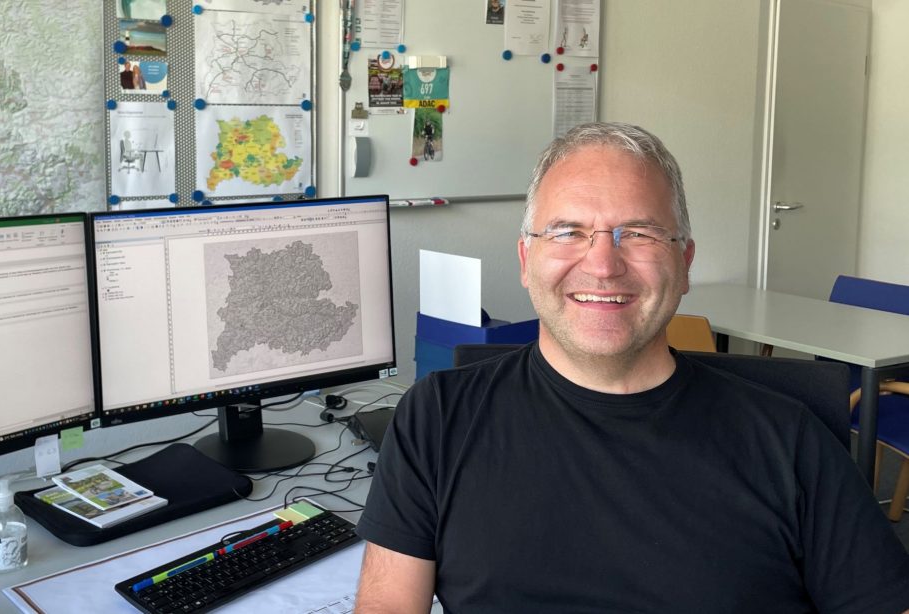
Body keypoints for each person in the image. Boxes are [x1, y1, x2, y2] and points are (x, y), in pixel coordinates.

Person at [354, 122, 909, 612]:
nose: (602, 264)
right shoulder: (436, 417)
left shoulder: (789, 441)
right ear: (526, 260)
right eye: (568, 232)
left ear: (684, 262)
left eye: (639, 234)